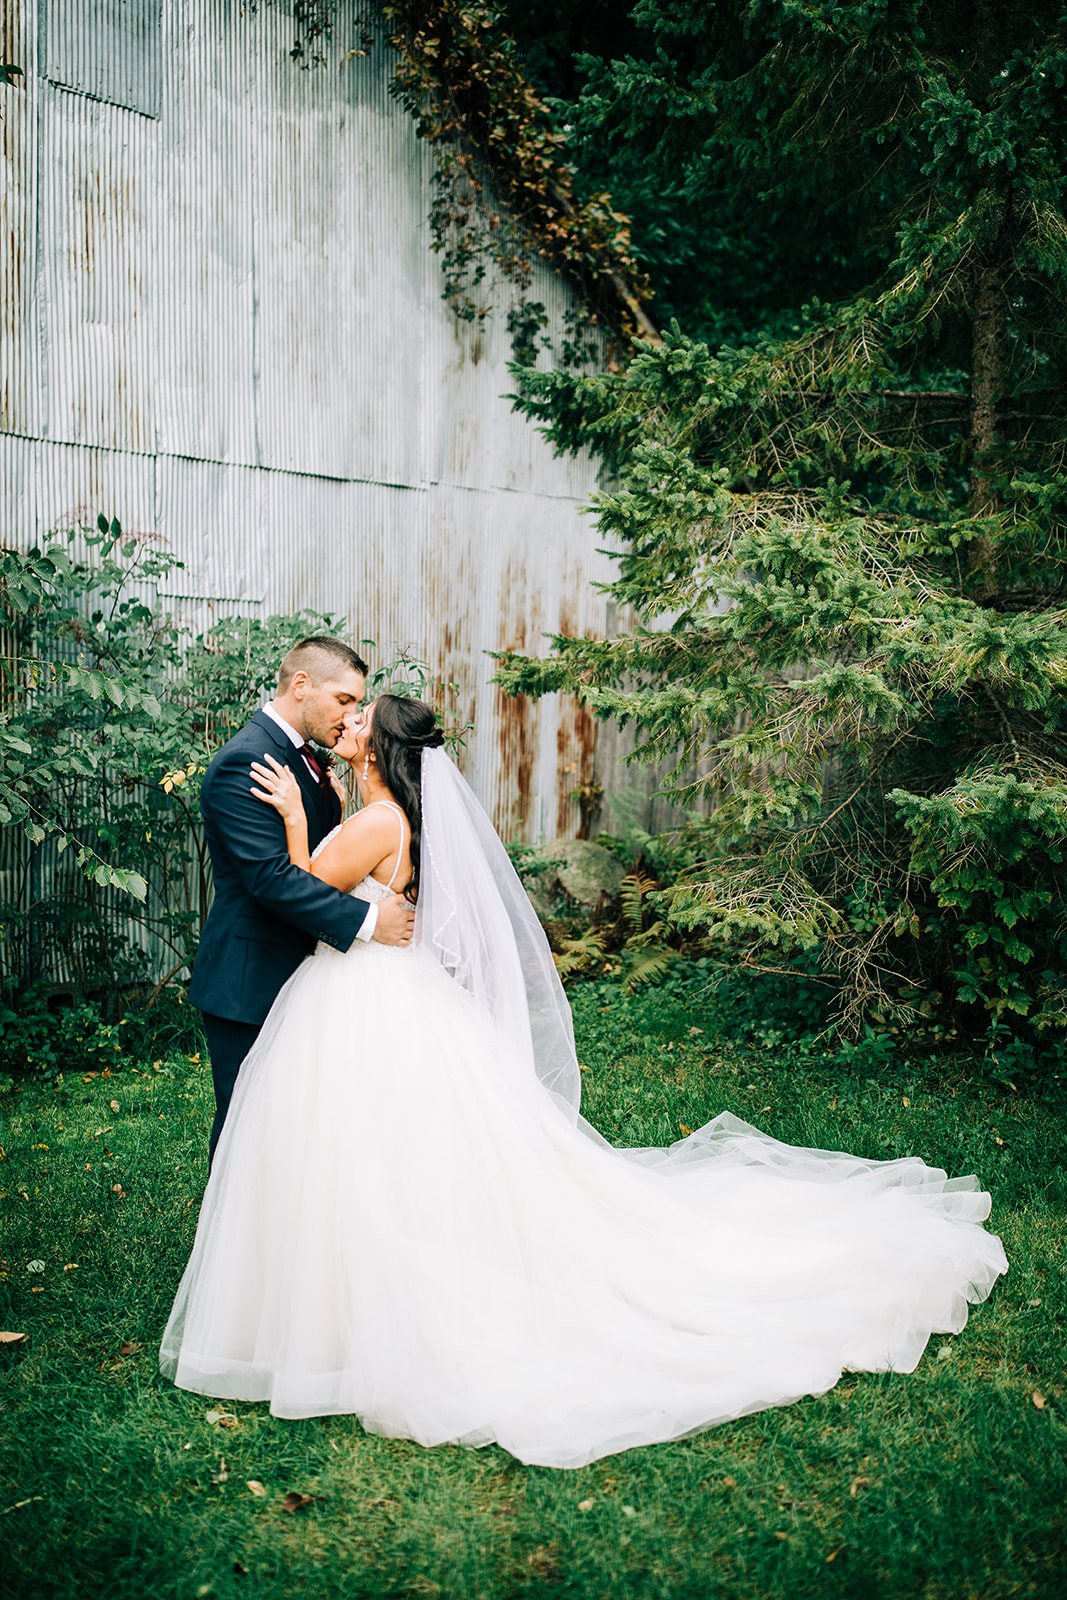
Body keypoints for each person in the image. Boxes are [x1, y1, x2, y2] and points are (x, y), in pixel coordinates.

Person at [162, 695, 1007, 1471]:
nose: (346, 725)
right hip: (396, 993)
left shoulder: (373, 819)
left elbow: (300, 890)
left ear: (377, 750)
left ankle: (360, 1302)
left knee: (358, 1147)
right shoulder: (396, 813)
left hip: (358, 1001)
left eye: (358, 720)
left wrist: (288, 823)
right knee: (397, 1147)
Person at [189, 638, 415, 1161]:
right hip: (252, 975)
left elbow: (323, 863)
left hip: (310, 973)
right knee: (248, 1122)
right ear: (301, 686)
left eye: (357, 707)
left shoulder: (307, 759)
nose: (350, 716)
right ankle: (236, 1238)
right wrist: (367, 921)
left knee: (300, 1123)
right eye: (343, 701)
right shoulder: (246, 761)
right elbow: (270, 879)